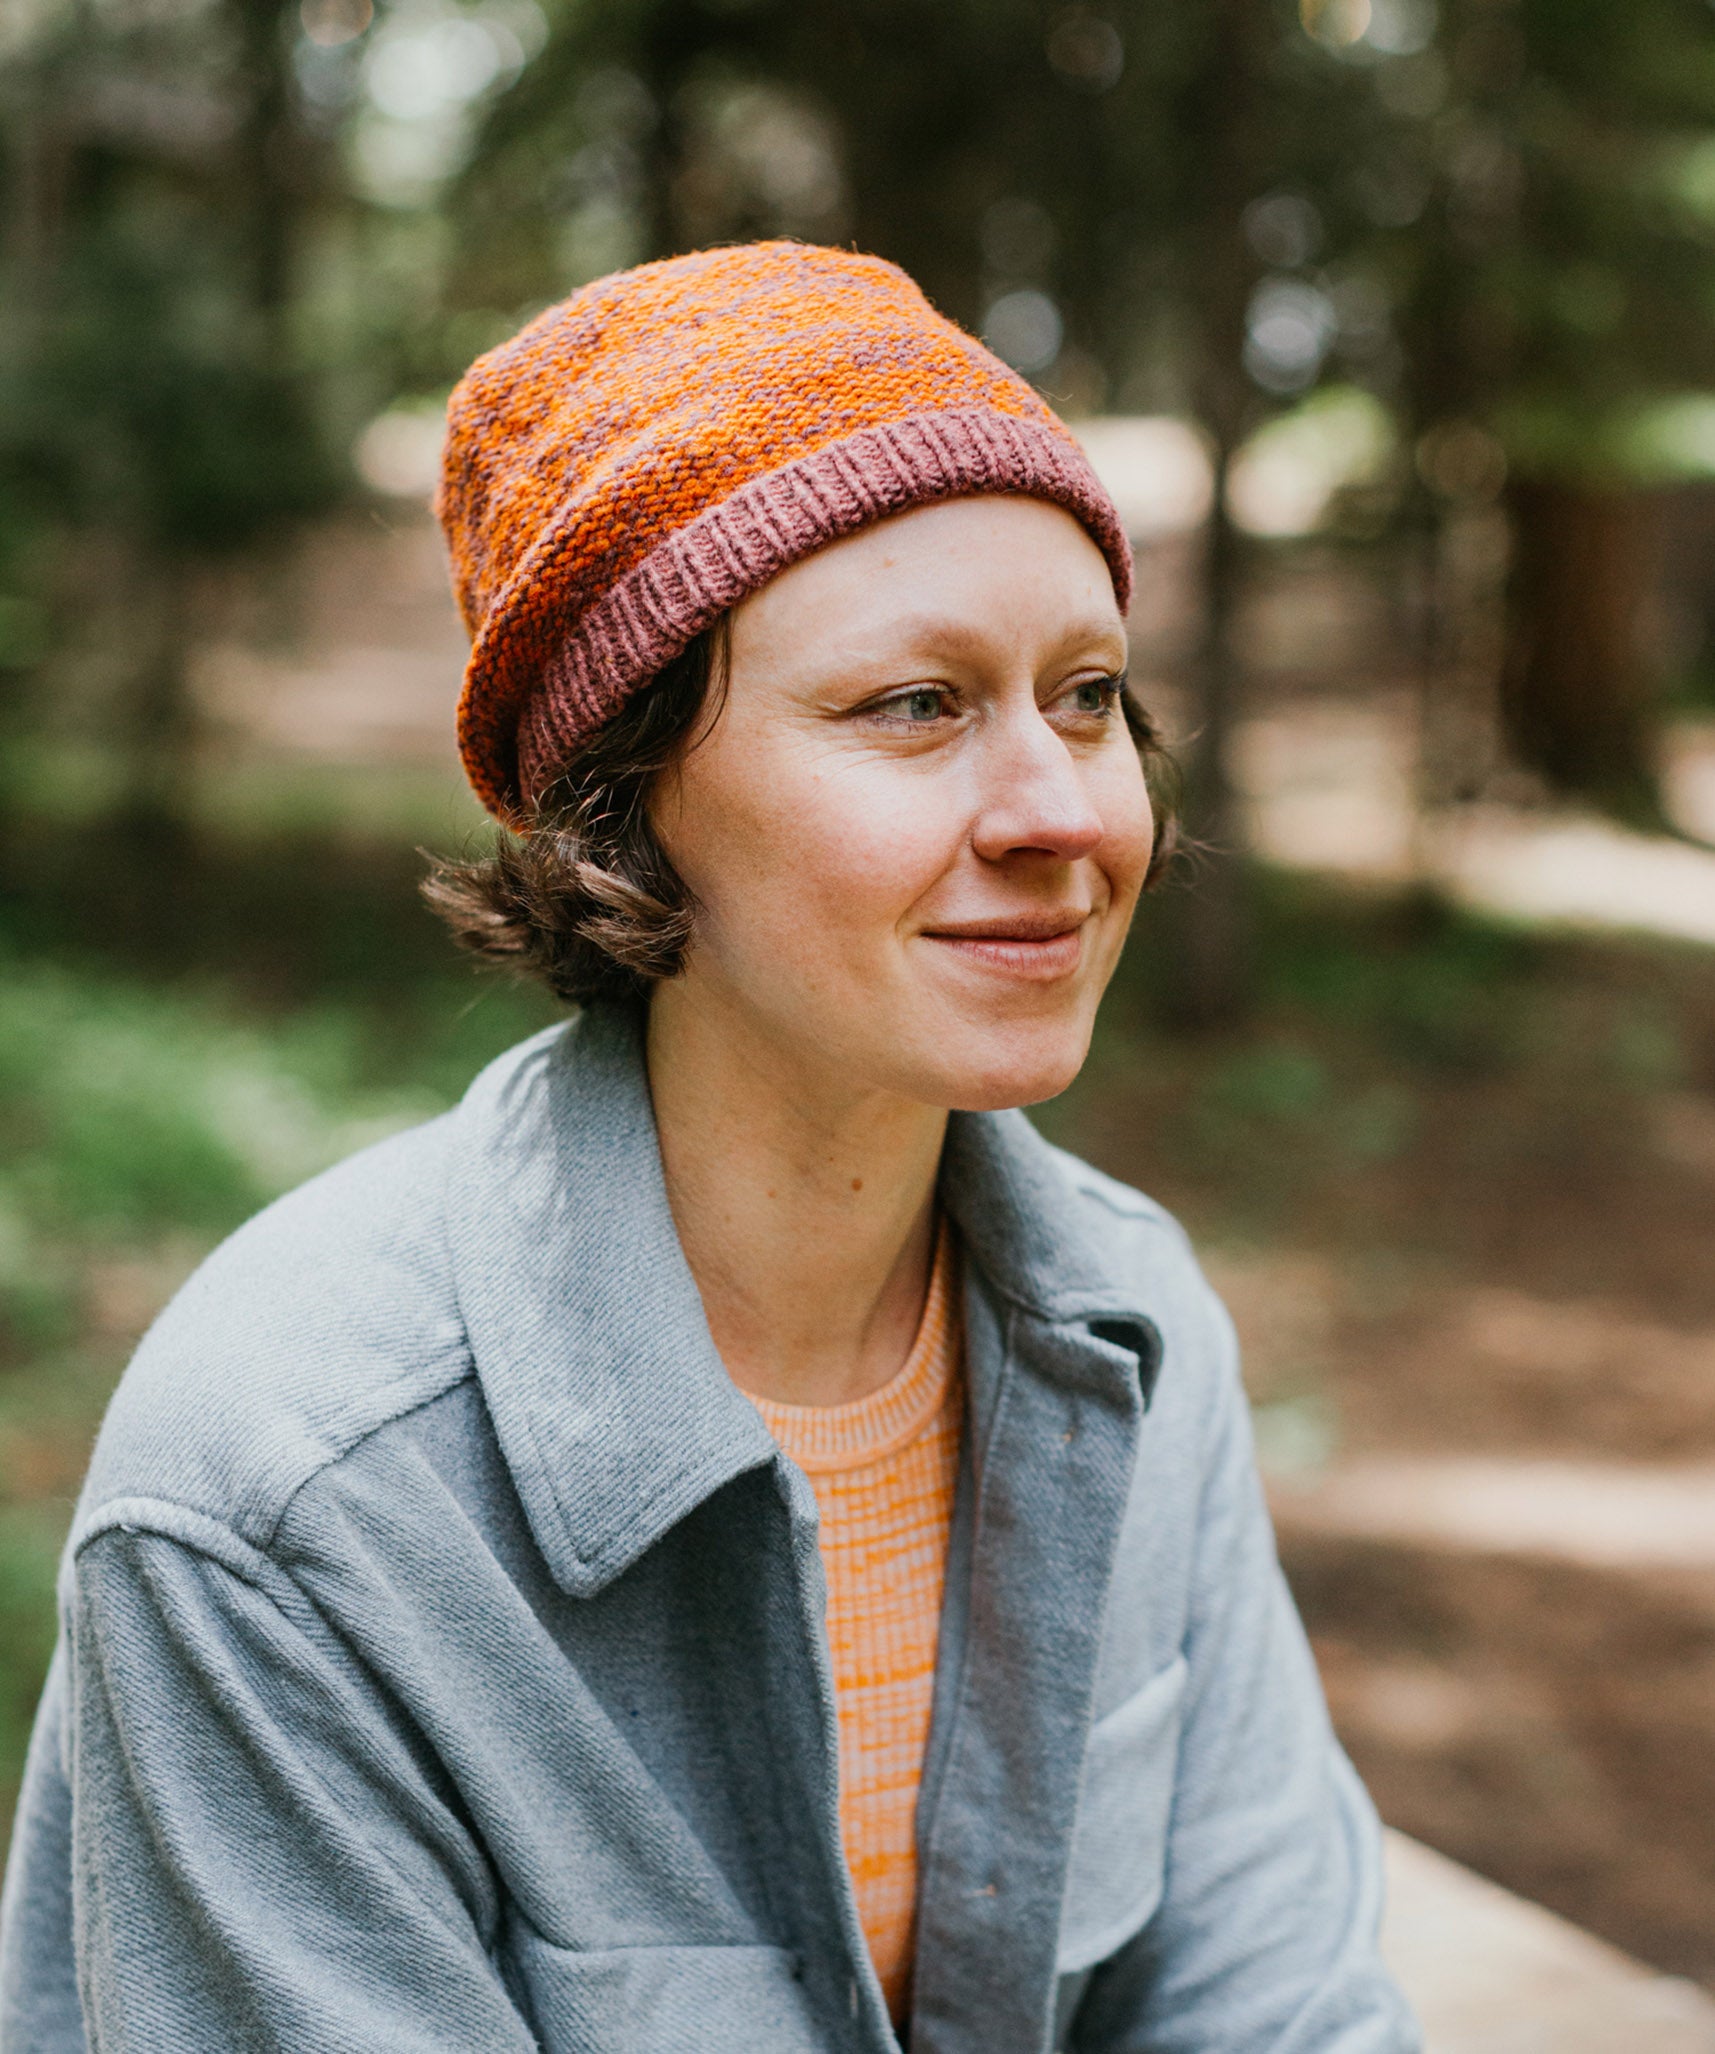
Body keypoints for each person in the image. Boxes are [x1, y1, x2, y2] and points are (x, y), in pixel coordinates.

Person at [0, 241, 1419, 2053]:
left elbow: (1278, 2011)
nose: (1064, 808)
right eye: (914, 704)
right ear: (629, 803)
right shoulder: (292, 1495)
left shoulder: (1131, 1322)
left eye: (1086, 696)